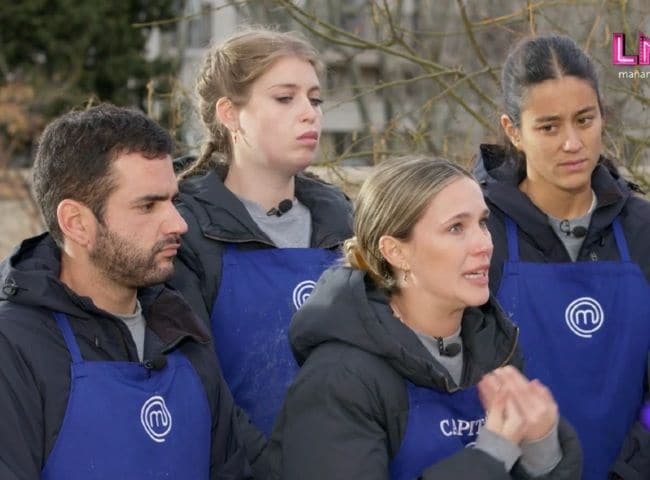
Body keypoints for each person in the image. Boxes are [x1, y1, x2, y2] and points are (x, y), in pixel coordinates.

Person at [267, 156, 582, 479]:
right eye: (456, 227)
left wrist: (542, 452)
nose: (484, 244)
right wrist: (492, 454)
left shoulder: (496, 348)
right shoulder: (338, 380)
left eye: (483, 223)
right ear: (396, 251)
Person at [0, 104, 251, 479]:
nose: (179, 223)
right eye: (148, 206)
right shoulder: (14, 347)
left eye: (174, 200)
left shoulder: (181, 332)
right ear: (77, 223)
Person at [169, 27, 353, 466]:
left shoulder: (346, 221)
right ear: (230, 114)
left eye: (315, 98)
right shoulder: (184, 230)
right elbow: (198, 383)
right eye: (285, 98)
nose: (309, 114)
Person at [474, 33, 650, 479]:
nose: (572, 143)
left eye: (584, 120)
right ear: (514, 131)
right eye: (549, 127)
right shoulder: (477, 231)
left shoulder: (643, 230)